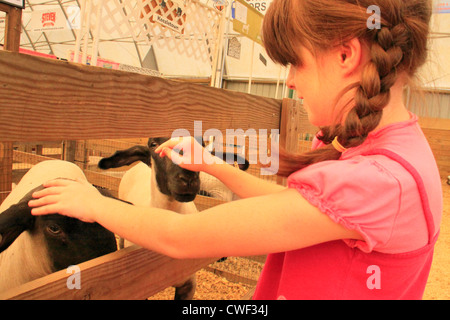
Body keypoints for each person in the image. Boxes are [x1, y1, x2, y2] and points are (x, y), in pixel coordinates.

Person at [29, 0, 442, 299]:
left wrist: (93, 203)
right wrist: (214, 166)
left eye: (294, 62)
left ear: (346, 54)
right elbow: (295, 208)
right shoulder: (385, 153)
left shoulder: (381, 182)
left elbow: (181, 237)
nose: (291, 81)